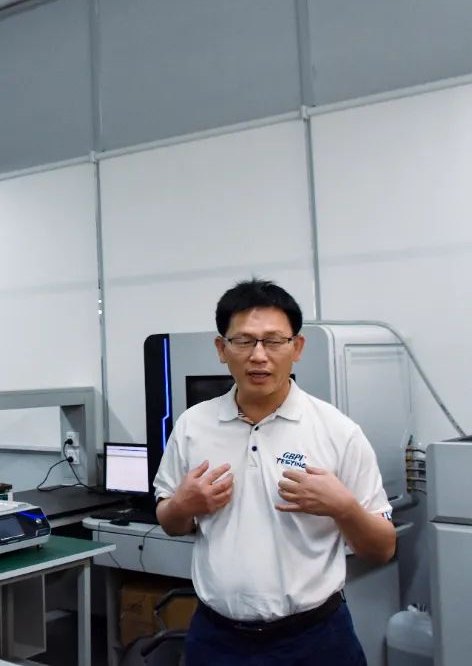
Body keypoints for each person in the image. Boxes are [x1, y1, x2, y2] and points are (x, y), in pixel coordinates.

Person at [153, 279, 396, 665]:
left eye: (273, 341)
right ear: (221, 349)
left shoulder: (338, 432)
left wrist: (343, 508)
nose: (258, 355)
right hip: (216, 639)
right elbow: (169, 521)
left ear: (296, 347)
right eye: (243, 341)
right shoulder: (192, 426)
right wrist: (183, 505)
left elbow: (382, 549)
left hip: (315, 639)